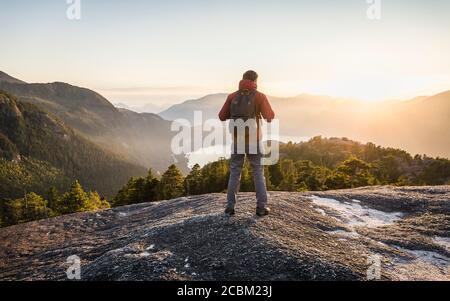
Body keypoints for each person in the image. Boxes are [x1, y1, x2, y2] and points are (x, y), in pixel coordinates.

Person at [218, 70, 275, 217]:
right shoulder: (260, 96)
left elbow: (221, 116)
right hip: (254, 140)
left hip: (237, 140)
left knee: (235, 173)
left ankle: (230, 207)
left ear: (242, 79)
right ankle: (261, 208)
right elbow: (270, 116)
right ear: (255, 81)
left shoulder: (232, 96)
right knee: (258, 172)